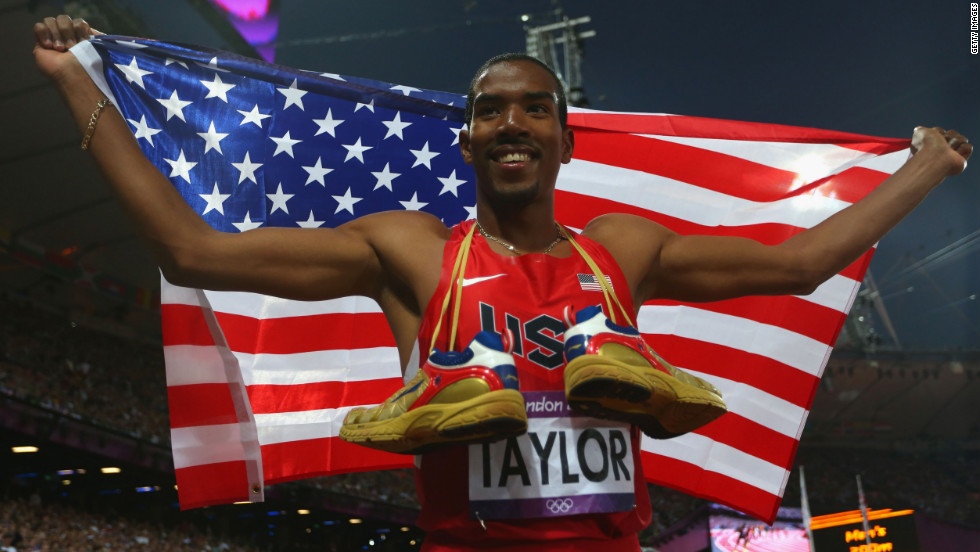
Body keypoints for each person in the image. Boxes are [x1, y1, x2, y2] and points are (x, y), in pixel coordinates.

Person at [32, 14, 972, 552]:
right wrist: (79, 84)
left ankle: (620, 371)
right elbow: (195, 254)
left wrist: (924, 167)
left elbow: (802, 263)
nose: (512, 122)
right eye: (491, 110)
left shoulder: (621, 252)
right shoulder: (414, 254)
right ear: (469, 139)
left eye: (534, 108)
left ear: (565, 139)